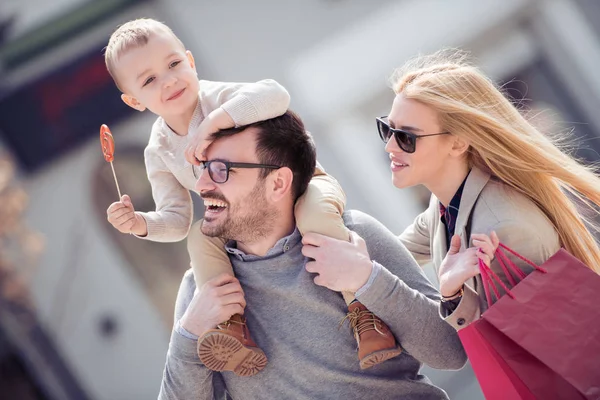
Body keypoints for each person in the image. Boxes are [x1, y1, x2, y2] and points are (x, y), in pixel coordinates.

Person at [102, 18, 399, 375]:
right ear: (135, 101)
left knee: (317, 218)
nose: (169, 80)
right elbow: (177, 219)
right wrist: (140, 223)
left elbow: (276, 95)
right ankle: (232, 328)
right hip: (242, 218)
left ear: (191, 61)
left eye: (173, 64)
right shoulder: (159, 150)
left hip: (301, 186)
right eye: (150, 80)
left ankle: (363, 312)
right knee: (200, 237)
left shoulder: (219, 99)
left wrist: (214, 124)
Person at [158, 111, 467, 399]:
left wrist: (367, 279)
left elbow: (450, 351)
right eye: (203, 169)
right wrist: (189, 334)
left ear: (278, 183)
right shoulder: (201, 291)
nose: (201, 184)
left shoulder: (353, 236)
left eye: (221, 170)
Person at [308, 49, 600, 332]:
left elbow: (537, 341)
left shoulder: (505, 228)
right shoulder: (445, 206)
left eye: (406, 137)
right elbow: (390, 256)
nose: (390, 146)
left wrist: (451, 295)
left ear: (458, 143)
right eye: (387, 129)